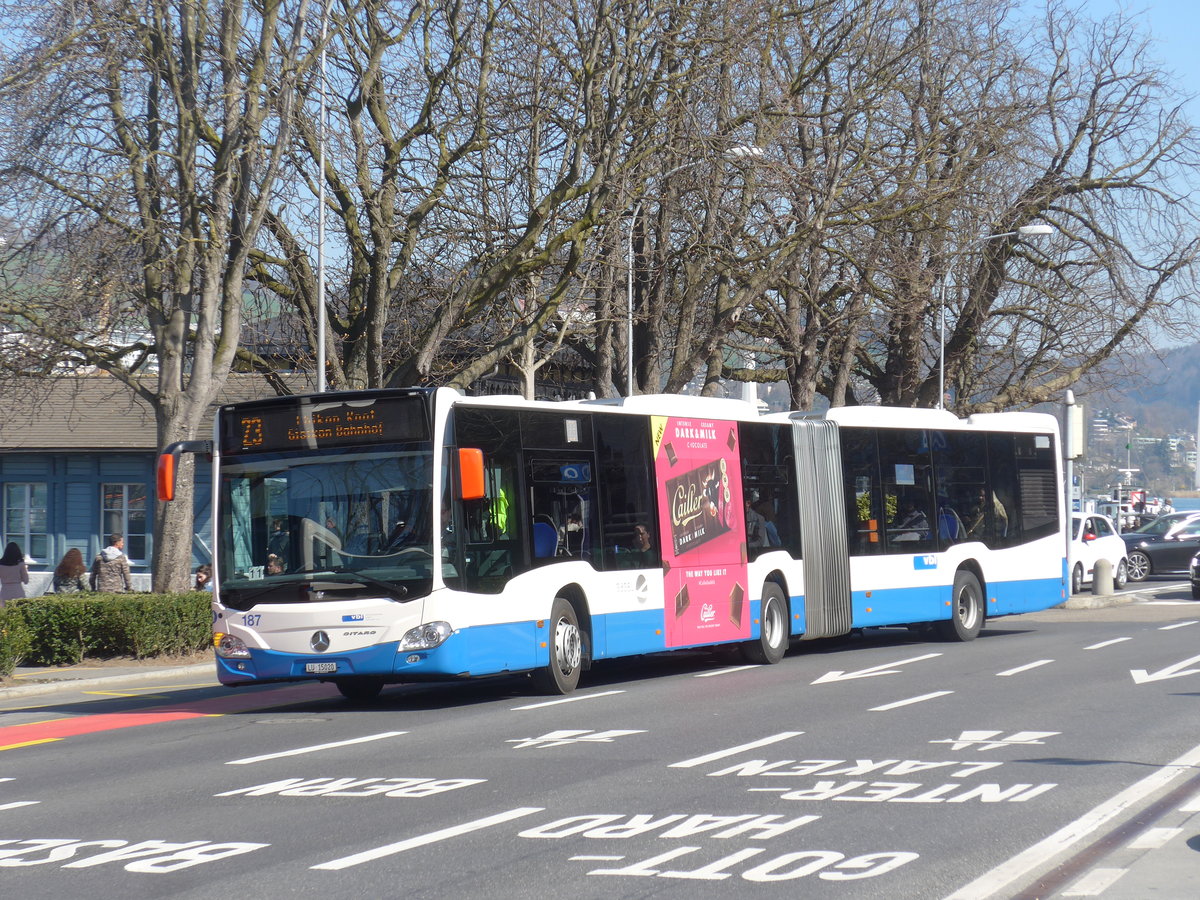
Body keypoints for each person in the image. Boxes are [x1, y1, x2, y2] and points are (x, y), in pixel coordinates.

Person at [0, 541, 30, 606]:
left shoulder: (1, 564)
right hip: (17, 590)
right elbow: (26, 581)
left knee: (4, 613)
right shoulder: (20, 564)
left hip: (5, 591)